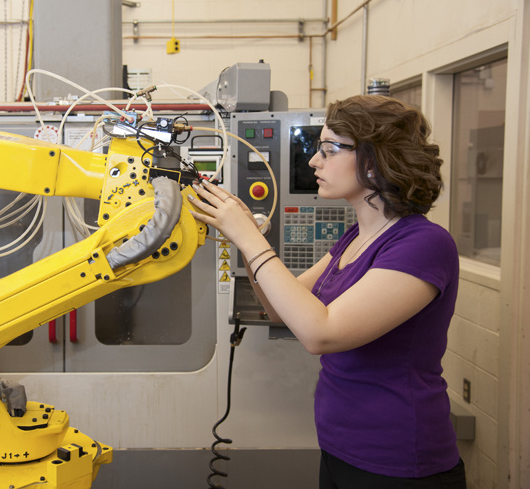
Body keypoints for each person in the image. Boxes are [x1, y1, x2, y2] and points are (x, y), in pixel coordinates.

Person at [189, 95, 466, 488]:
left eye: (329, 149)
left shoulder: (423, 244)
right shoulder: (356, 237)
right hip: (340, 447)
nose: (314, 162)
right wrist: (246, 241)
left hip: (400, 460)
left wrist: (250, 240)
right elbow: (281, 310)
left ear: (376, 158)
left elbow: (321, 333)